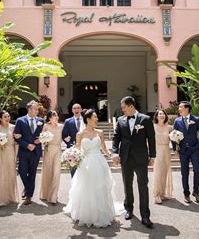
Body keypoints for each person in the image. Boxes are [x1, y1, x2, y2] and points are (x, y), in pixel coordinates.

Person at [63, 109, 124, 228]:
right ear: (88, 119)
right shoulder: (80, 134)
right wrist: (72, 156)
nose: (97, 119)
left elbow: (104, 149)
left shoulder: (100, 132)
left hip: (99, 163)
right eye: (95, 117)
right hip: (85, 165)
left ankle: (101, 214)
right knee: (86, 188)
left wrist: (112, 156)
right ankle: (86, 214)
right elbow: (77, 149)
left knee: (100, 187)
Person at [112, 96, 156, 229]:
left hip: (141, 158)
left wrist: (152, 155)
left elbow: (151, 139)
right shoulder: (120, 120)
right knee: (127, 185)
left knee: (143, 186)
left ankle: (145, 216)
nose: (122, 110)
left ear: (131, 106)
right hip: (125, 158)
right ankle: (129, 209)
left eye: (124, 107)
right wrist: (115, 152)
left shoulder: (146, 119)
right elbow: (116, 138)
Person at [172, 101, 199, 204]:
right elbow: (173, 135)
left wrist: (198, 146)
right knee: (184, 173)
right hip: (182, 151)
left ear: (187, 108)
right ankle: (186, 194)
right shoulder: (177, 121)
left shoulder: (196, 120)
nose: (179, 109)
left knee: (197, 170)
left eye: (181, 107)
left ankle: (196, 192)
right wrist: (175, 149)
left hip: (194, 149)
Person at [13, 101, 44, 205]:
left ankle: (29, 196)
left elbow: (44, 135)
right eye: (35, 109)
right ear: (29, 109)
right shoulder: (20, 121)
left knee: (32, 174)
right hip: (24, 151)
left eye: (37, 109)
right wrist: (27, 145)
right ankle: (27, 188)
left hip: (36, 151)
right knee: (22, 171)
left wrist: (41, 140)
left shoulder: (41, 121)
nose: (37, 111)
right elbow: (16, 136)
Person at [0, 111, 19, 207]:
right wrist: (0, 143)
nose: (7, 118)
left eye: (8, 116)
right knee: (0, 174)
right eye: (5, 116)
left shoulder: (13, 127)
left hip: (11, 151)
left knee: (10, 173)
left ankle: (11, 197)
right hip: (1, 152)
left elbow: (16, 140)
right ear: (1, 118)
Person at [40, 110, 63, 204]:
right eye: (54, 116)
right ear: (50, 118)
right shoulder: (46, 126)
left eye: (56, 115)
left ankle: (53, 196)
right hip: (48, 150)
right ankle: (46, 193)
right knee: (48, 172)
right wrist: (44, 141)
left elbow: (65, 136)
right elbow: (41, 138)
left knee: (56, 172)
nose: (56, 117)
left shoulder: (61, 126)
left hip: (58, 150)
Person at [153, 109, 173, 204]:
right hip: (157, 150)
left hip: (166, 150)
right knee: (158, 172)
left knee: (165, 172)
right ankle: (157, 194)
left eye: (163, 114)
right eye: (160, 114)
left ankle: (163, 193)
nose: (162, 115)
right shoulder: (153, 127)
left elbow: (174, 139)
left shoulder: (169, 128)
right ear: (156, 116)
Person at [62, 103, 83, 177]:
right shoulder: (68, 121)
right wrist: (71, 145)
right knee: (73, 171)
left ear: (81, 109)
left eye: (78, 108)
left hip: (84, 148)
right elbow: (64, 135)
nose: (76, 110)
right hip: (72, 150)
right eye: (74, 108)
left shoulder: (86, 120)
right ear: (72, 110)